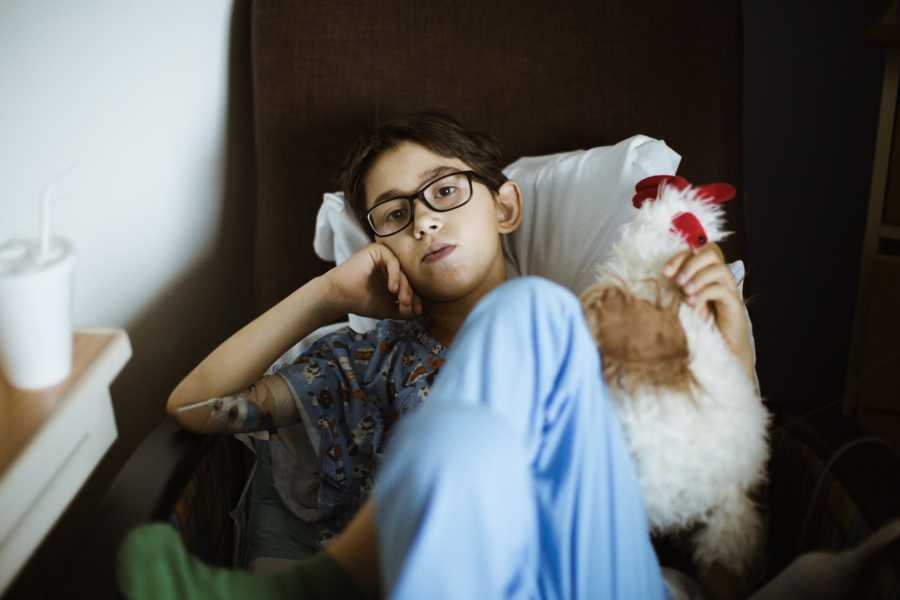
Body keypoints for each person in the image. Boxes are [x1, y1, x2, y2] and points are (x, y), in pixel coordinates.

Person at [117, 112, 756, 600]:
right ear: (380, 247)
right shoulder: (363, 365)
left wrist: (734, 363)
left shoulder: (604, 333)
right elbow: (194, 407)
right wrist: (322, 295)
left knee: (532, 308)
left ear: (505, 206)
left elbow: (723, 535)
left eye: (444, 192)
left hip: (592, 579)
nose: (423, 222)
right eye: (394, 215)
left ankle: (322, 583)